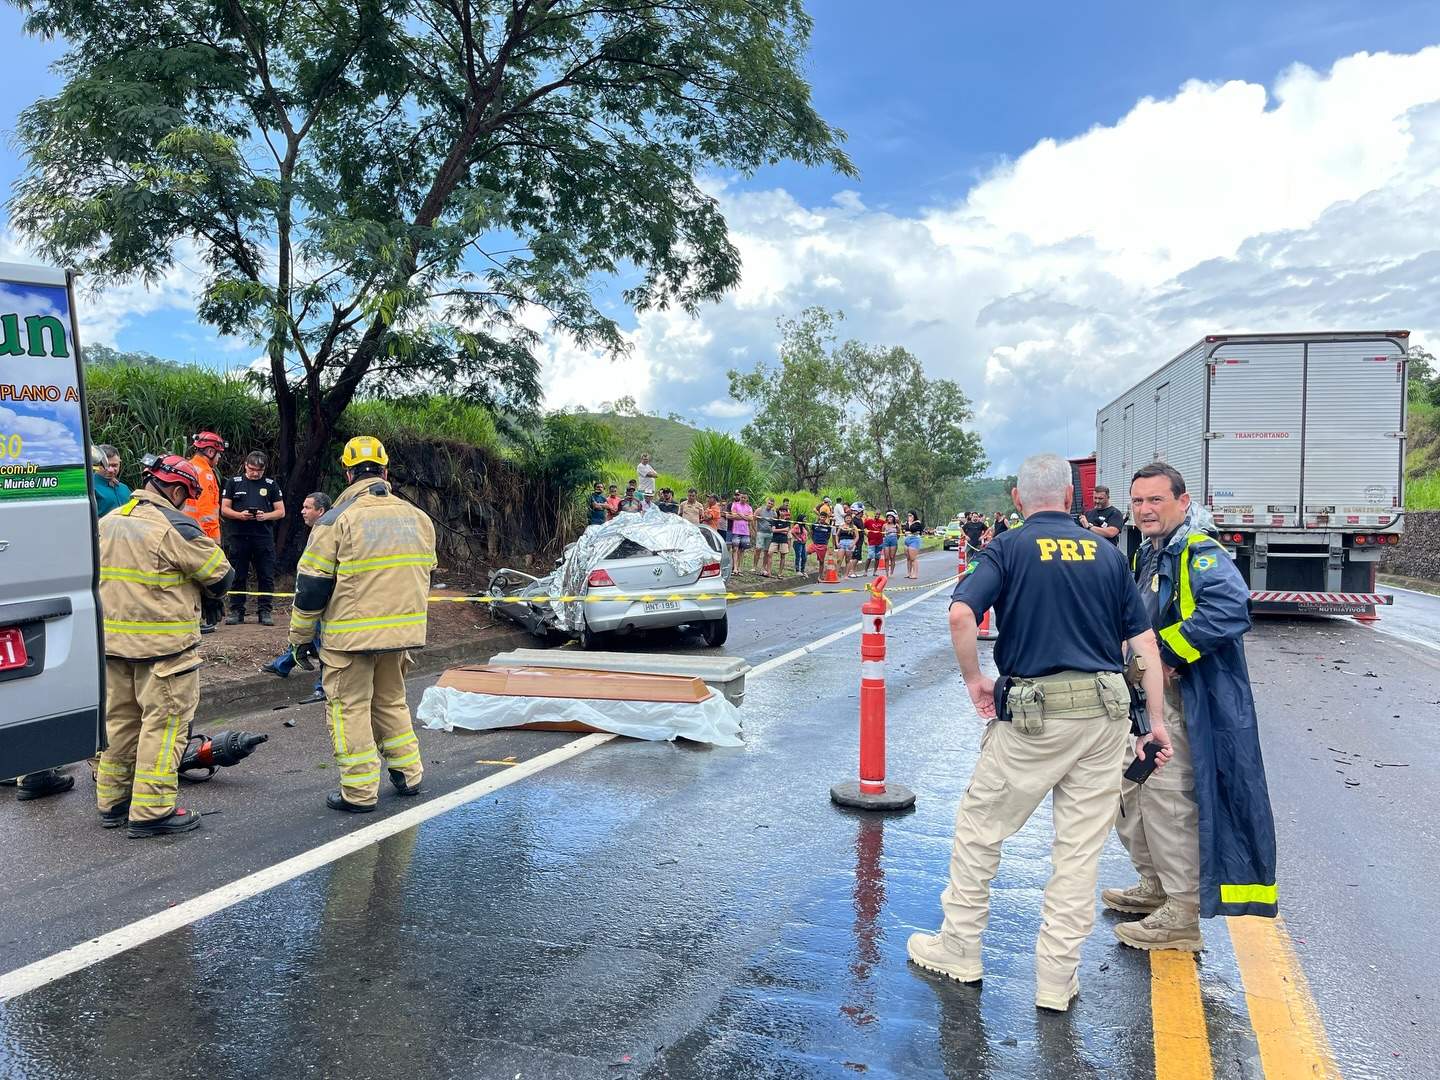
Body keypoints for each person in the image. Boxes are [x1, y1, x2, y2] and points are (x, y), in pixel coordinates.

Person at [908, 452, 1169, 1013]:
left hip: (1032, 717)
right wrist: (1156, 726)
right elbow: (1143, 644)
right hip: (1104, 717)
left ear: (1017, 499)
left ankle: (960, 948)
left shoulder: (1007, 548)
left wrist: (975, 681)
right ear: (1072, 498)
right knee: (1078, 853)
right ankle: (1056, 979)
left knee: (981, 830)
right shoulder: (1106, 553)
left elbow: (960, 614)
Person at [1104, 463, 1278, 950]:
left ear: (1183, 502)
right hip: (1146, 700)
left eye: (1155, 500)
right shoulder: (1150, 551)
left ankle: (1181, 914)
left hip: (1185, 700)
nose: (1145, 510)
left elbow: (1229, 609)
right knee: (1134, 791)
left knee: (1168, 800)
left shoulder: (1198, 551)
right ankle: (1155, 886)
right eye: (1138, 501)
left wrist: (1165, 654)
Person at [289, 436, 437, 814]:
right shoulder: (417, 517)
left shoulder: (335, 519)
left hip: (350, 637)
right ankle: (409, 774)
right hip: (400, 634)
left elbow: (311, 587)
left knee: (349, 708)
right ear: (385, 471)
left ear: (348, 473)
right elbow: (425, 572)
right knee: (391, 701)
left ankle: (358, 792)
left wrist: (300, 638)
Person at [94, 454, 234, 837]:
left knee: (119, 724)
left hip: (111, 648)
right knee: (164, 726)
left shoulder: (107, 523)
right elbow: (220, 575)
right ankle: (152, 810)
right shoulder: (175, 527)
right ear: (174, 490)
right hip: (164, 652)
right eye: (186, 495)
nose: (186, 503)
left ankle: (113, 802)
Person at [262, 492, 332, 703]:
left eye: (308, 507)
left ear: (321, 511)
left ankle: (322, 688)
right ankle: (283, 665)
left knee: (323, 645)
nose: (302, 511)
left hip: (322, 599)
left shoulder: (328, 532)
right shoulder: (319, 530)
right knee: (304, 637)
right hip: (312, 597)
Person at [221, 451, 286, 625]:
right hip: (239, 535)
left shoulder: (271, 485)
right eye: (252, 469)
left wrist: (265, 516)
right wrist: (239, 515)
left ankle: (265, 611)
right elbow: (224, 509)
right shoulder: (234, 482)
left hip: (263, 536)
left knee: (266, 574)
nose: (255, 473)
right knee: (238, 574)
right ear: (245, 466)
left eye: (259, 470)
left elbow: (281, 511)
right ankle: (236, 610)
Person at [185, 431, 225, 631]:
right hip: (201, 534)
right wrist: (214, 542)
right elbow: (207, 512)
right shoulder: (205, 474)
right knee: (201, 577)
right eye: (218, 453)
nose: (219, 458)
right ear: (210, 451)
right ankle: (199, 619)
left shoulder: (188, 467)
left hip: (185, 530)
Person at [91, 443, 131, 517]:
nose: (111, 470)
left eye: (114, 465)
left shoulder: (124, 488)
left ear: (120, 463)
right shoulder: (89, 488)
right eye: (106, 465)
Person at [728, 490, 754, 566]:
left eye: (744, 498)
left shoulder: (749, 507)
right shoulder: (735, 505)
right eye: (742, 497)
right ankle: (735, 567)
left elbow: (751, 518)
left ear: (747, 499)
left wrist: (740, 515)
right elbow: (734, 516)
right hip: (736, 531)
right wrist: (745, 516)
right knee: (735, 549)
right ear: (740, 497)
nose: (743, 499)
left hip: (745, 532)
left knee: (742, 550)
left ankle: (739, 567)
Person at [754, 497, 776, 575]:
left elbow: (775, 523)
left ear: (773, 505)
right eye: (769, 503)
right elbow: (753, 519)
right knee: (758, 549)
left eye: (771, 504)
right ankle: (754, 566)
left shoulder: (774, 513)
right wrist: (754, 530)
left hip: (769, 534)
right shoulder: (760, 510)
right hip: (761, 532)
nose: (770, 505)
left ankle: (763, 567)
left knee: (766, 551)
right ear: (766, 502)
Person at [768, 500, 791, 576]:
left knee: (783, 556)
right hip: (774, 539)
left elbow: (786, 532)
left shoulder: (788, 521)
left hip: (783, 540)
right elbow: (773, 530)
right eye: (781, 511)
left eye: (784, 511)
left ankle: (780, 573)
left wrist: (778, 530)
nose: (782, 512)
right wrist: (783, 530)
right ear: (779, 511)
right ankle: (769, 572)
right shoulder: (775, 520)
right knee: (769, 553)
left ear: (786, 512)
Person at [808, 511, 832, 577]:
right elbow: (811, 533)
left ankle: (820, 575)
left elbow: (828, 535)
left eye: (824, 517)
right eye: (821, 517)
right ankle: (802, 569)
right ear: (819, 517)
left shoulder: (828, 526)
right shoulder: (815, 525)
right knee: (806, 552)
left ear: (826, 518)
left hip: (823, 545)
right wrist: (813, 540)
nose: (822, 518)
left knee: (821, 561)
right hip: (815, 543)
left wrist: (825, 542)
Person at [903, 511, 924, 579]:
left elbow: (913, 529)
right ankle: (909, 573)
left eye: (911, 515)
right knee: (908, 558)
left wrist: (910, 523)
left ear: (914, 516)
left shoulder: (917, 523)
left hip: (914, 540)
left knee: (913, 558)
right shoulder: (907, 522)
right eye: (908, 515)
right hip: (907, 539)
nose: (909, 517)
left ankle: (915, 574)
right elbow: (904, 529)